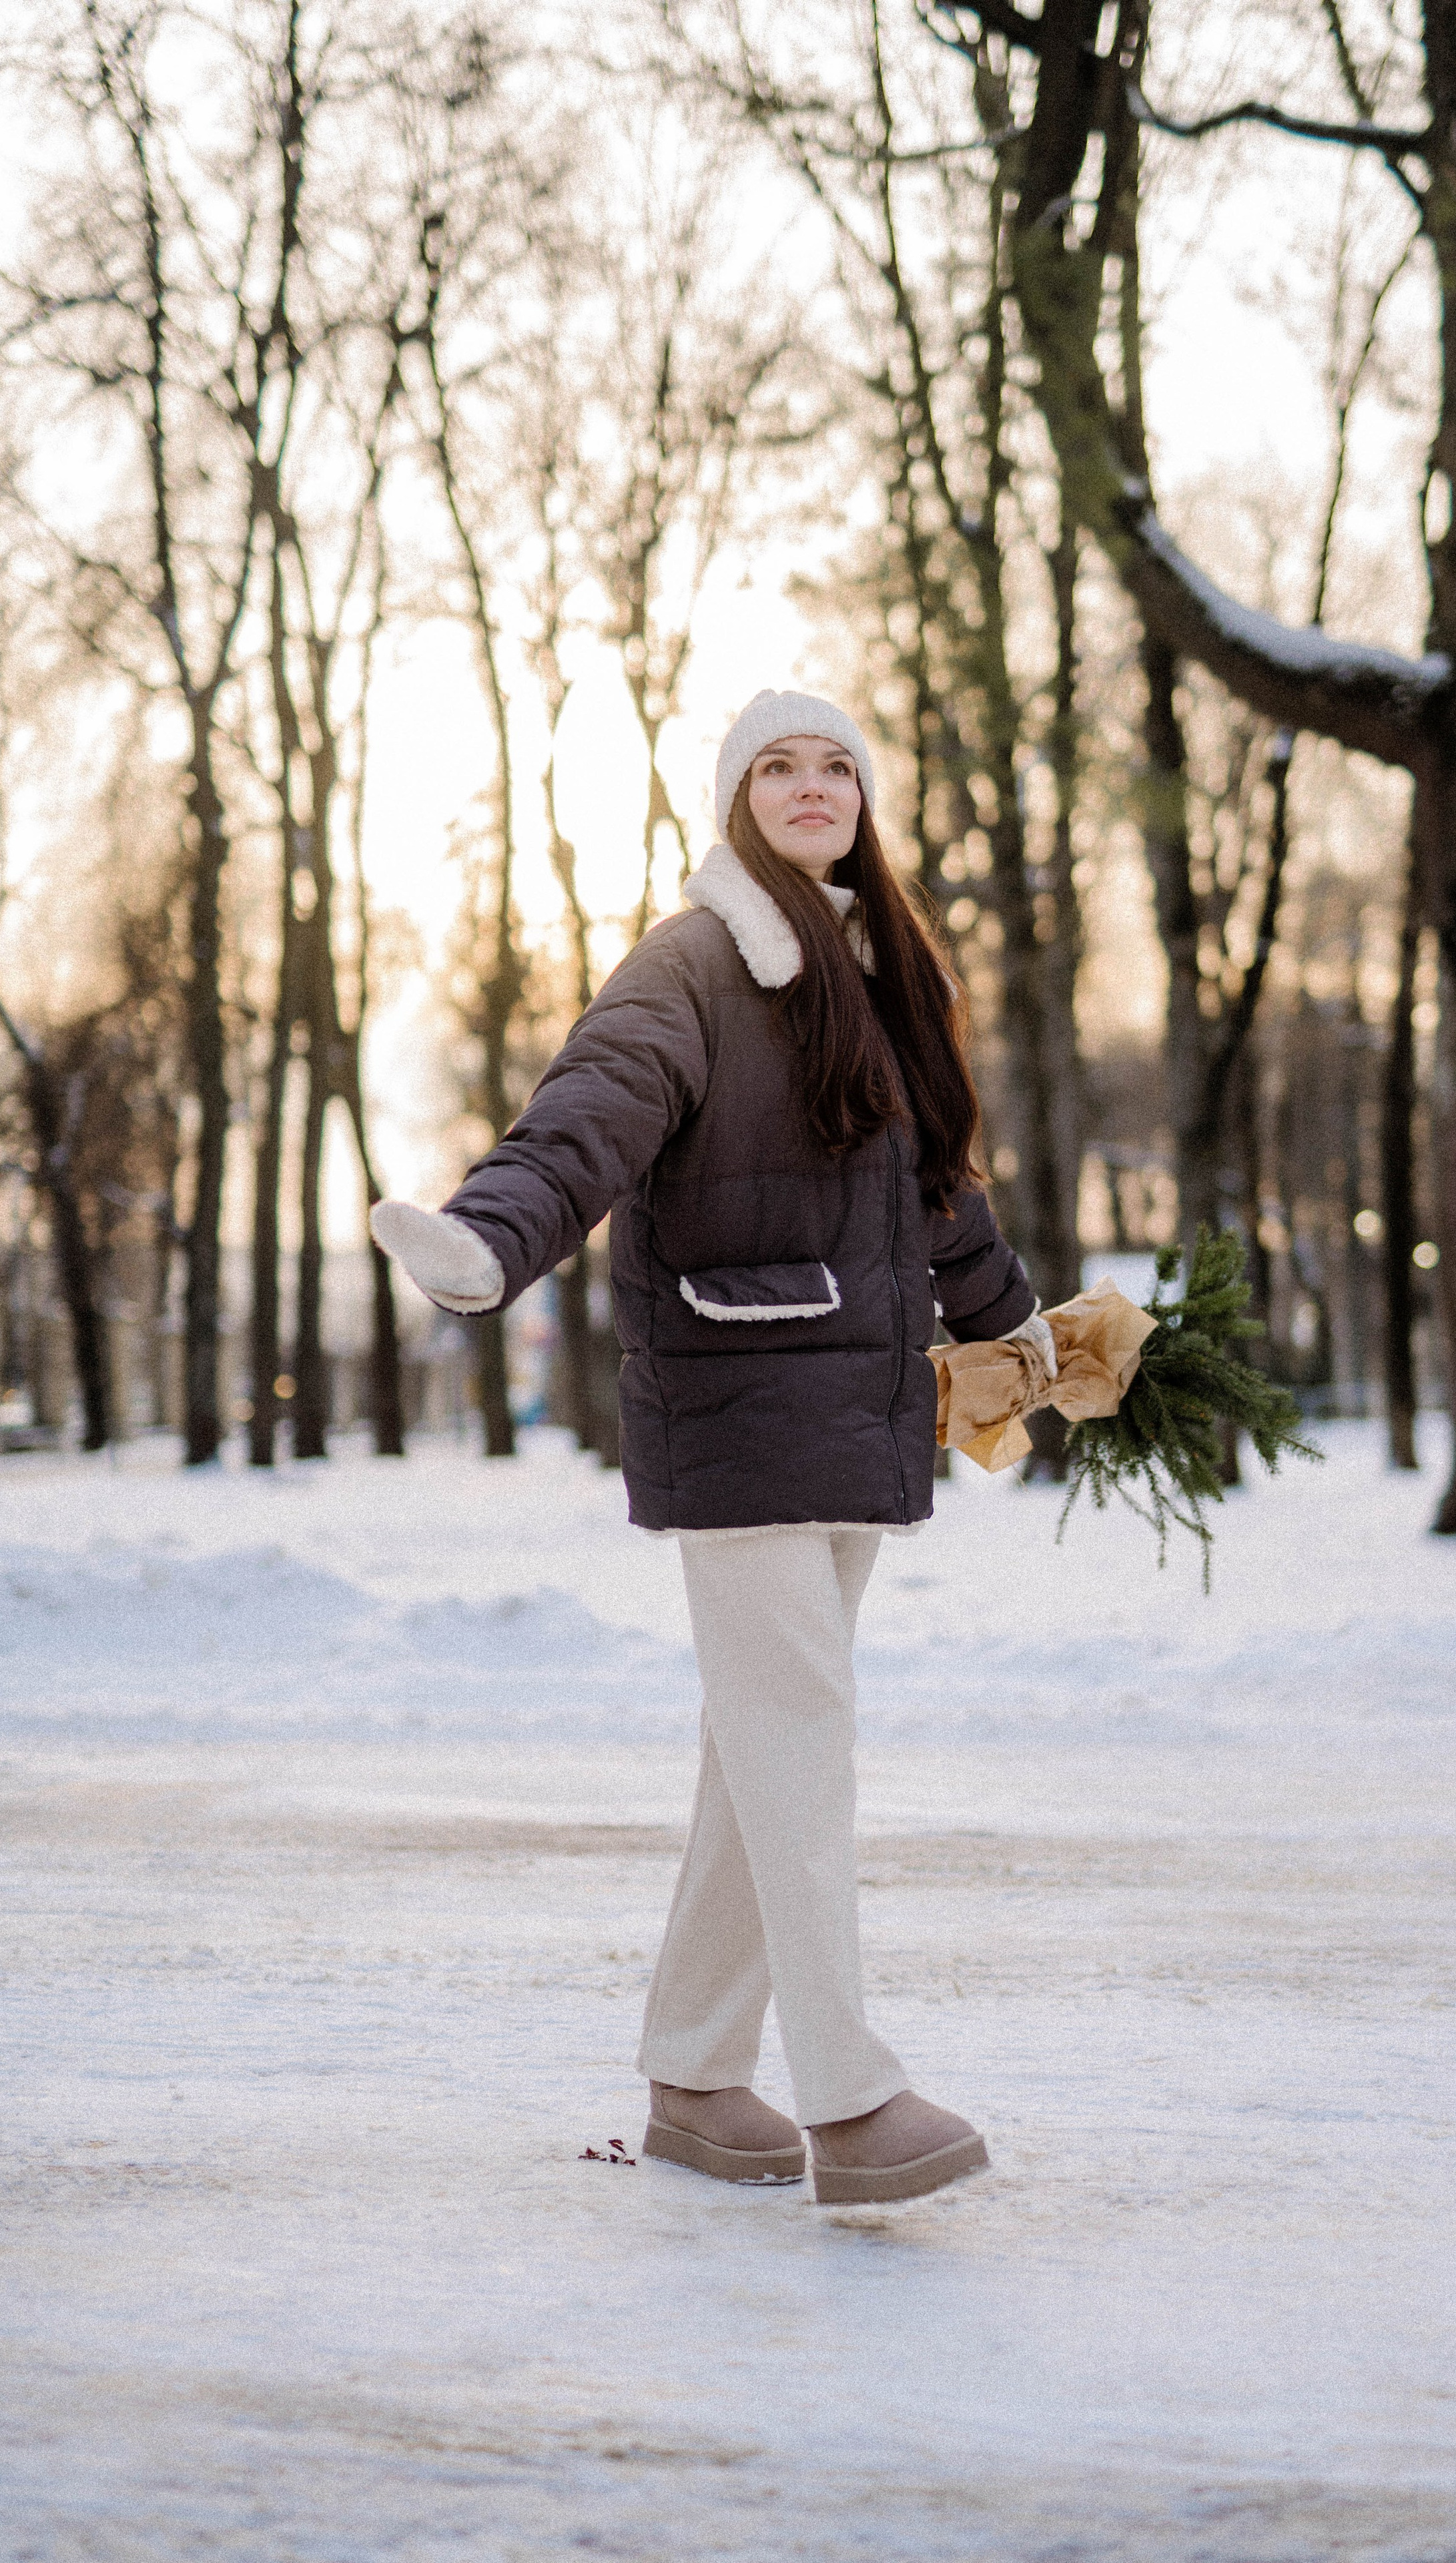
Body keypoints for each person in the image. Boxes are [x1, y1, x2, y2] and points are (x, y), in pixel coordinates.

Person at [372, 689, 1052, 2205]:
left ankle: (691, 2075)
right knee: (800, 1740)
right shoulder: (690, 962)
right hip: (739, 1403)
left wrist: (1027, 1337)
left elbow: (938, 1196)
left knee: (760, 1756)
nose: (812, 787)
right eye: (777, 767)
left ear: (864, 800)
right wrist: (490, 1240)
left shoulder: (882, 969)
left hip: (857, 1413)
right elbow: (587, 1113)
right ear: (737, 801)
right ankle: (851, 2100)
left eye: (836, 767)